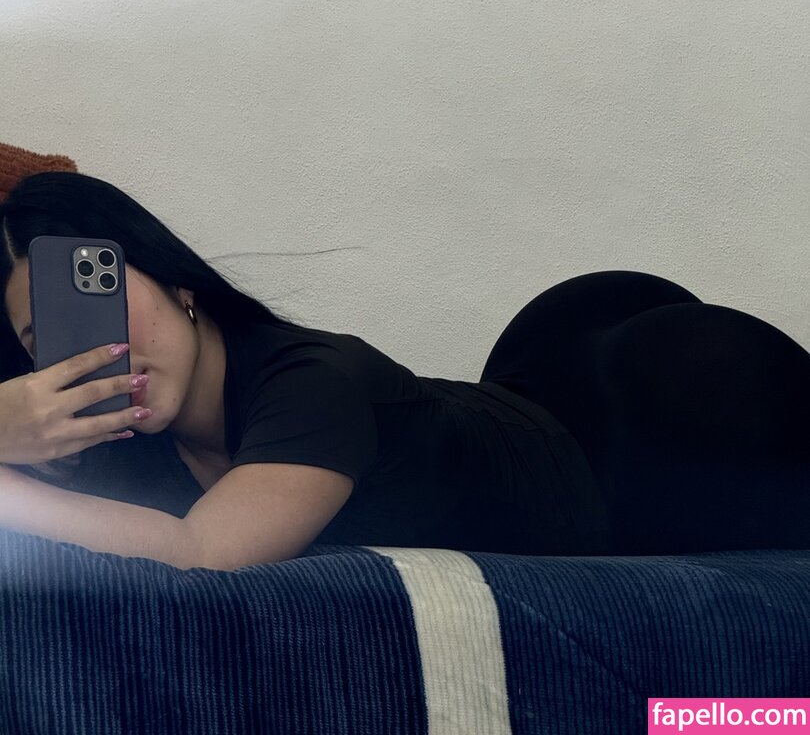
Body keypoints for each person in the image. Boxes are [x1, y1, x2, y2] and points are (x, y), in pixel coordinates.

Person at [1, 171, 809, 557]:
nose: (94, 348)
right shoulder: (127, 457)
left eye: (105, 299)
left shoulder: (309, 379)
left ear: (180, 285)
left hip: (644, 438)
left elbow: (203, 555)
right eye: (45, 338)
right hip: (520, 397)